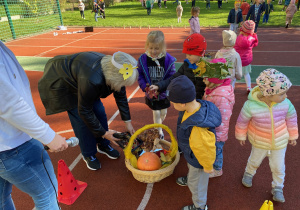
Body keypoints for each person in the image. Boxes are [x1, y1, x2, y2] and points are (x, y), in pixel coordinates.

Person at [38, 51, 138, 171]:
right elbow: (84, 110)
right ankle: (88, 153)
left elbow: (121, 97)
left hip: (83, 81)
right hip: (64, 84)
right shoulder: (92, 80)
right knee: (81, 121)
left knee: (99, 112)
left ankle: (103, 144)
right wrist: (104, 132)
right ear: (114, 78)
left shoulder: (116, 74)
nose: (123, 87)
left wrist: (128, 122)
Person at [0, 41, 68, 209]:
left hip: (7, 145)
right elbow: (9, 104)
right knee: (47, 195)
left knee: (2, 198)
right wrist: (49, 136)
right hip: (14, 145)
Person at [235, 68, 298, 203]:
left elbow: (292, 118)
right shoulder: (251, 106)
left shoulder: (286, 104)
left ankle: (278, 188)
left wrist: (293, 135)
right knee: (254, 160)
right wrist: (241, 135)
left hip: (280, 141)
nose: (286, 96)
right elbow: (242, 121)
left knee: (278, 166)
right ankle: (249, 173)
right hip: (260, 141)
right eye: (282, 94)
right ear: (268, 94)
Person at [167, 75, 222, 210]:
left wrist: (208, 166)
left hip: (199, 161)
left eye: (173, 103)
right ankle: (192, 177)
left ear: (182, 103)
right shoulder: (196, 106)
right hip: (193, 155)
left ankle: (200, 206)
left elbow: (205, 149)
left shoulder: (197, 127)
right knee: (194, 175)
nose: (172, 106)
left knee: (196, 185)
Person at [137, 31, 176, 139]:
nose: (154, 51)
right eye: (151, 48)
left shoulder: (168, 60)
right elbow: (139, 75)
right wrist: (145, 86)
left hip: (163, 92)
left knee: (163, 112)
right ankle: (159, 131)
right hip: (151, 94)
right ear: (147, 46)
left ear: (162, 47)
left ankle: (157, 125)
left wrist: (161, 87)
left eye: (157, 48)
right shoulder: (143, 59)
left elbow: (171, 76)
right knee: (156, 113)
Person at [200, 59, 234, 178]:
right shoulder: (213, 90)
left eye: (206, 78)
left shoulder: (221, 97)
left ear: (214, 80)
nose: (203, 80)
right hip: (211, 127)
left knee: (216, 150)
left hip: (217, 131)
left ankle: (217, 169)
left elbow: (224, 118)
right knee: (212, 149)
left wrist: (217, 134)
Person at [150, 33, 207, 101]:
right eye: (186, 54)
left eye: (190, 54)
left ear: (200, 53)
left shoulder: (208, 67)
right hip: (186, 102)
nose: (187, 57)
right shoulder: (186, 65)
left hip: (202, 103)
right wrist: (158, 86)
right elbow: (173, 79)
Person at [234, 20, 258, 93]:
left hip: (238, 60)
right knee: (246, 74)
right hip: (246, 60)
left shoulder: (239, 38)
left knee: (234, 75)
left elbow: (235, 47)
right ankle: (249, 87)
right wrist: (253, 36)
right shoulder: (252, 39)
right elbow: (255, 44)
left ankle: (231, 87)